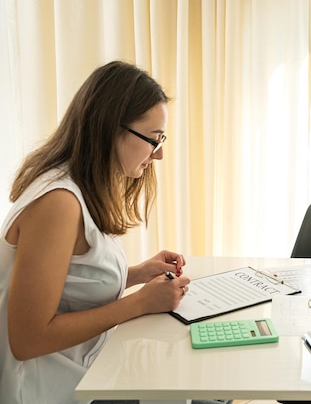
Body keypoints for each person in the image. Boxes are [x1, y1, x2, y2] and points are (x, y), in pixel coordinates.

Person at [0, 61, 227, 404]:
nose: (160, 153)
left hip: (86, 371)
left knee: (201, 391)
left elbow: (70, 282)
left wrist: (136, 273)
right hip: (47, 390)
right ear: (110, 129)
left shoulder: (76, 187)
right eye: (153, 139)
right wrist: (139, 303)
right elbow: (27, 338)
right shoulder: (58, 203)